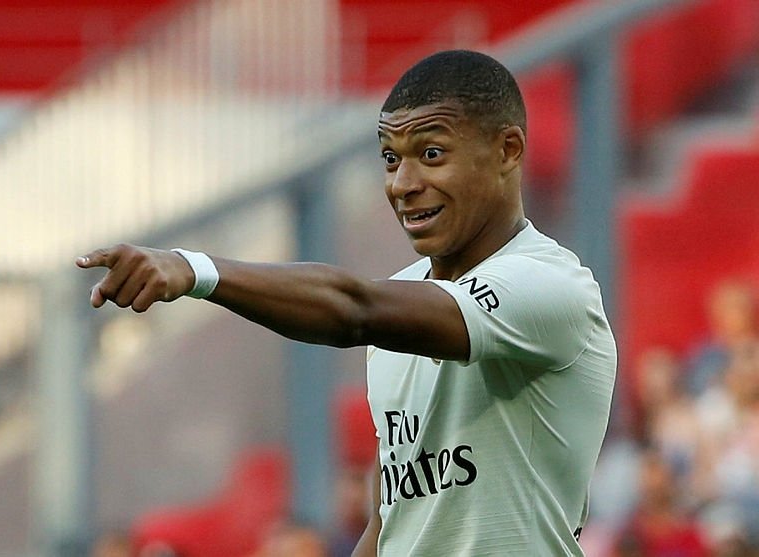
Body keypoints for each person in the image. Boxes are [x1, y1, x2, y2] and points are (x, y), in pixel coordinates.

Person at [77, 50, 617, 556]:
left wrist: (197, 271)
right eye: (391, 159)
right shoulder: (400, 309)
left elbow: (356, 309)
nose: (403, 184)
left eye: (431, 154)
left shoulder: (549, 286)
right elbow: (391, 523)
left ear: (507, 150)